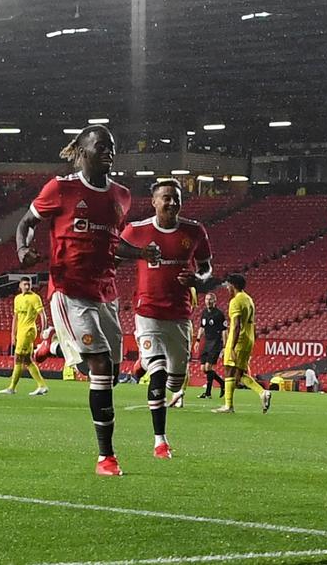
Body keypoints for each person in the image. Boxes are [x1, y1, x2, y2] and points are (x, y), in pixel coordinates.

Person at [16, 125, 159, 477]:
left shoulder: (121, 195)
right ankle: (106, 457)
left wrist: (141, 253)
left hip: (106, 293)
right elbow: (26, 222)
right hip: (69, 290)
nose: (108, 151)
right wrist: (22, 248)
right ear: (82, 152)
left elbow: (113, 243)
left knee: (109, 372)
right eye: (101, 146)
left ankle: (55, 346)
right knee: (99, 365)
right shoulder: (60, 189)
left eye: (112, 146)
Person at [120, 178, 213, 459]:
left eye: (176, 198)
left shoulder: (194, 231)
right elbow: (115, 251)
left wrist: (198, 279)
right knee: (158, 375)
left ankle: (144, 361)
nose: (172, 202)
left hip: (180, 316)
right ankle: (160, 441)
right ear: (154, 202)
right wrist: (138, 254)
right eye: (166, 198)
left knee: (175, 382)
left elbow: (206, 267)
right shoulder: (137, 230)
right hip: (148, 313)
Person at [211, 274, 271, 414]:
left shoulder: (235, 301)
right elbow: (253, 323)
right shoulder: (248, 299)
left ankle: (228, 406)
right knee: (239, 374)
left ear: (233, 285)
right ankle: (263, 393)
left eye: (228, 285)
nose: (227, 287)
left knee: (229, 369)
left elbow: (237, 325)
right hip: (248, 339)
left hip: (238, 340)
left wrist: (231, 346)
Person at [0, 277, 49, 396]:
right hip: (21, 332)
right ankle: (42, 385)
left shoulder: (35, 298)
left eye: (29, 284)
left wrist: (43, 330)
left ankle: (12, 388)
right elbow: (15, 318)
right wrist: (13, 334)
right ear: (20, 285)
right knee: (27, 360)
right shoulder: (17, 298)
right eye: (25, 284)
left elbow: (42, 315)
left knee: (18, 358)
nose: (27, 286)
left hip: (28, 331)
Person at [194, 293, 227, 399]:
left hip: (216, 342)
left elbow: (224, 330)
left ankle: (208, 393)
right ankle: (222, 383)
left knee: (208, 367)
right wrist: (198, 340)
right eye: (207, 299)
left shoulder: (219, 314)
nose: (208, 301)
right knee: (203, 368)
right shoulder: (204, 313)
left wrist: (224, 346)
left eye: (210, 299)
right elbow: (202, 327)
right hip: (207, 342)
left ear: (215, 301)